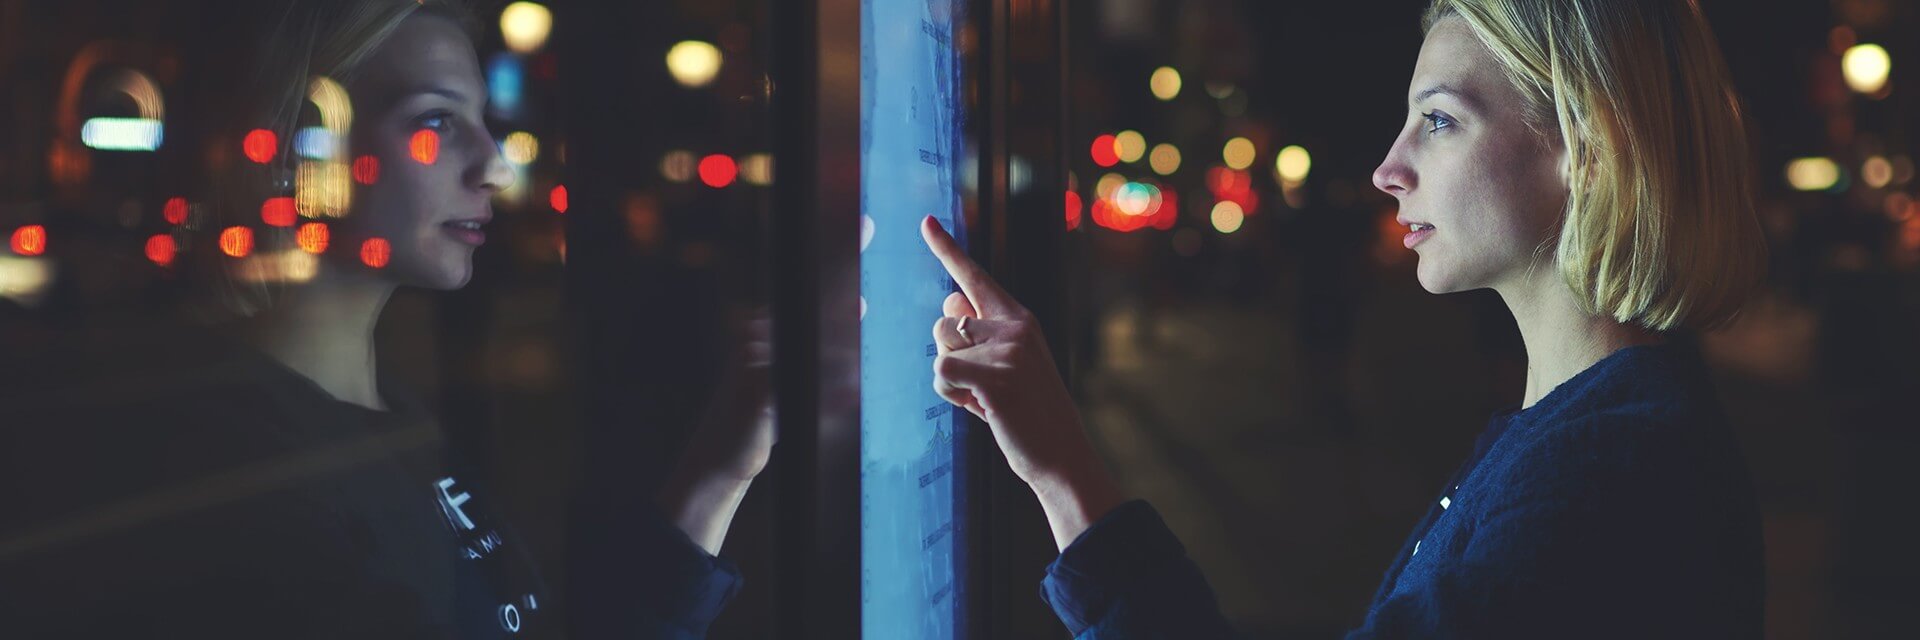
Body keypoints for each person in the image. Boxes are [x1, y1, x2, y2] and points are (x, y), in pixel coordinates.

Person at [921, 0, 1768, 637]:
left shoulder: (1599, 475)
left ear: (1588, 149)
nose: (1388, 168)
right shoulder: (1591, 433)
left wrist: (1062, 470)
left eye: (1438, 120)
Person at [0, 1, 769, 637]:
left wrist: (718, 472)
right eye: (435, 123)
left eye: (481, 121)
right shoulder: (233, 474)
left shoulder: (385, 415)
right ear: (301, 145)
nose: (495, 168)